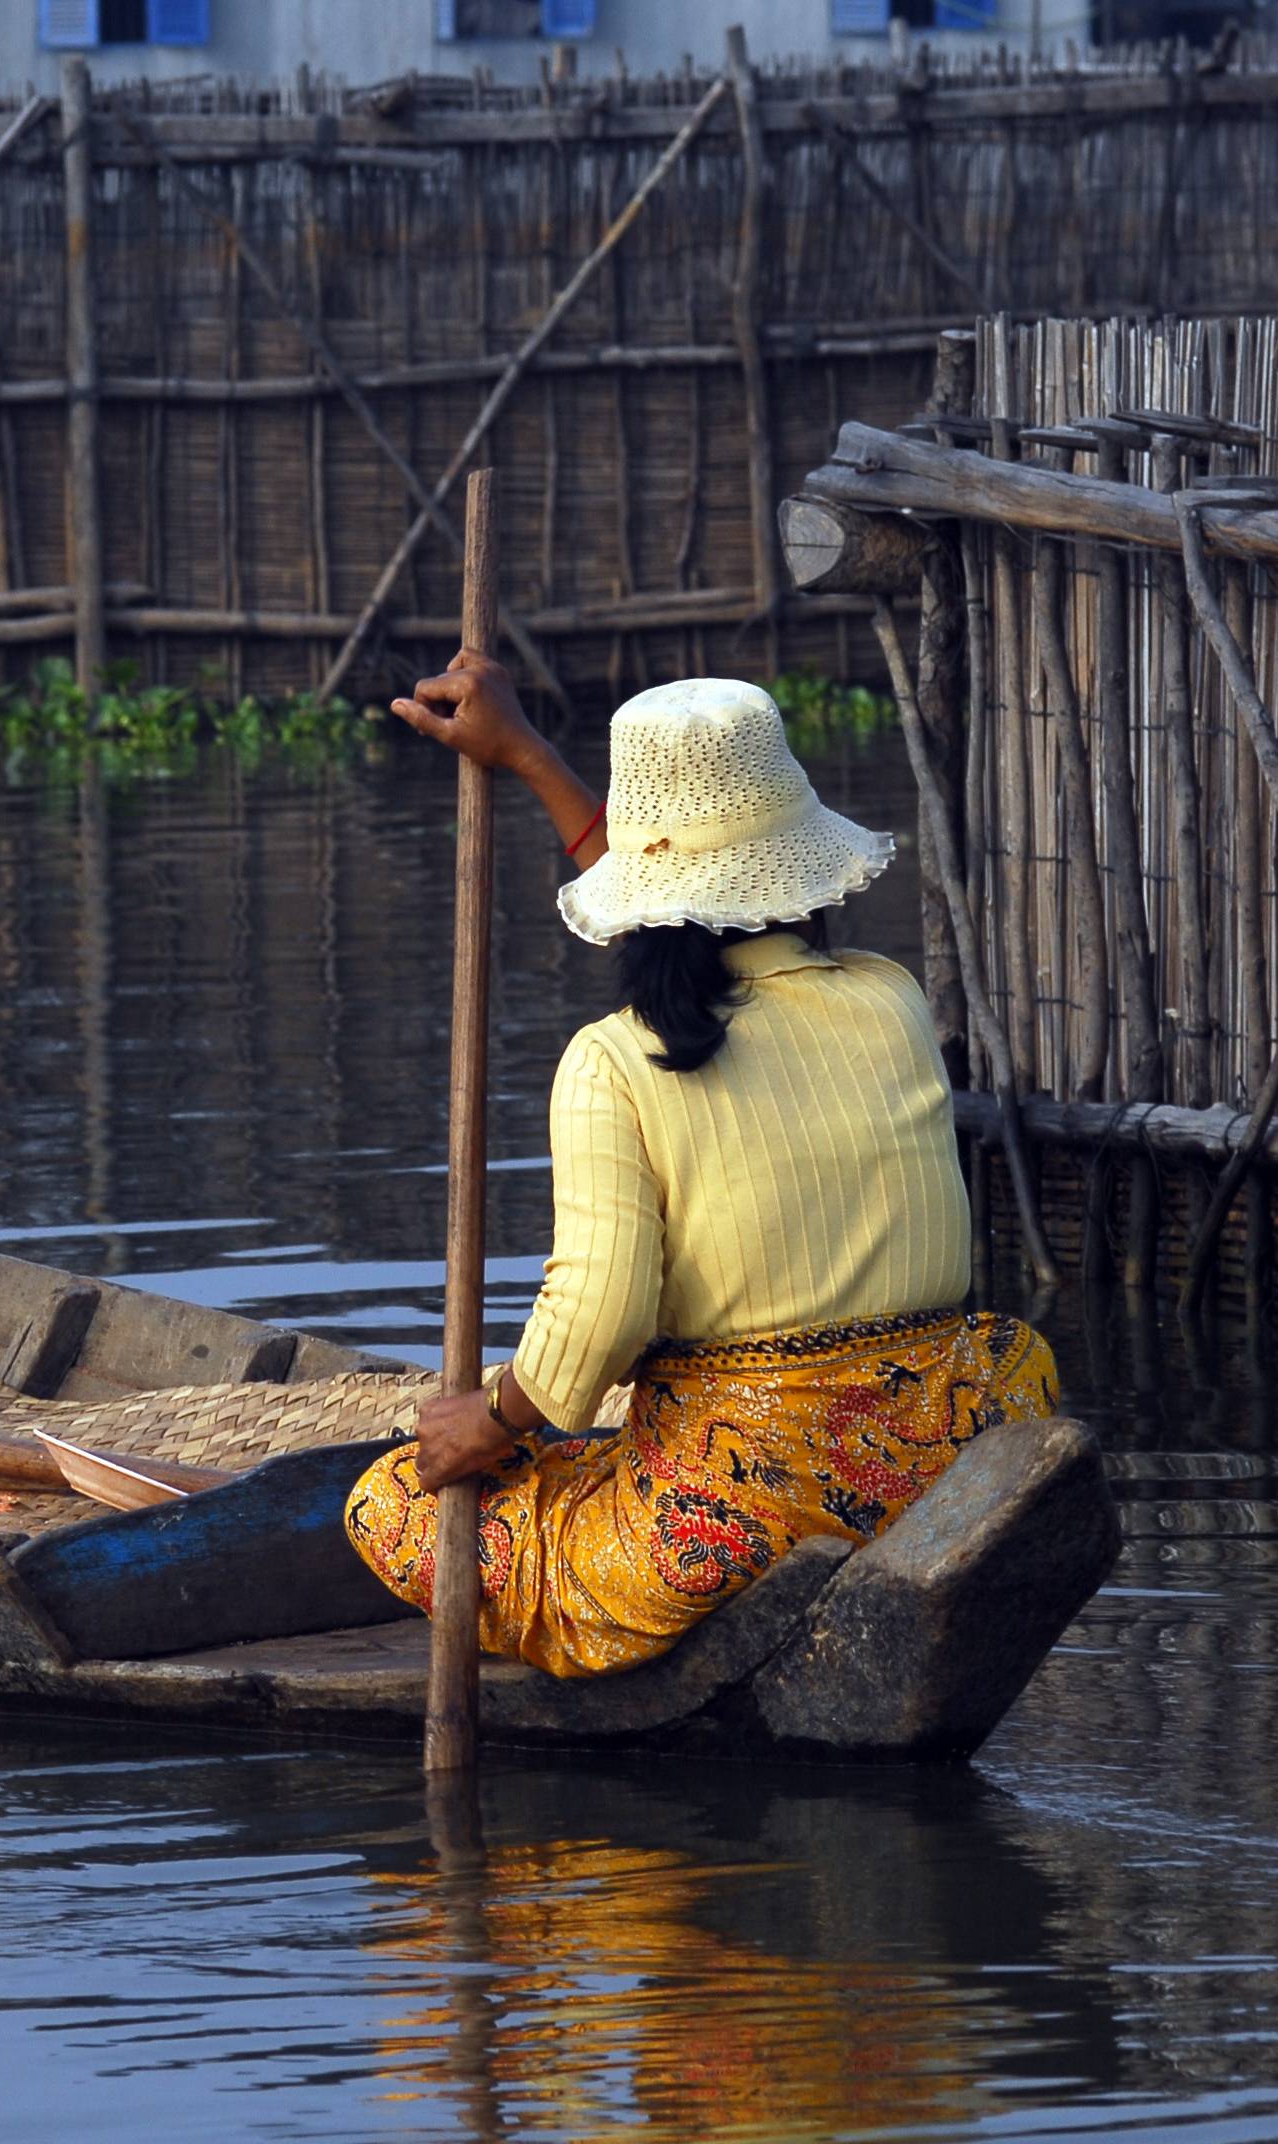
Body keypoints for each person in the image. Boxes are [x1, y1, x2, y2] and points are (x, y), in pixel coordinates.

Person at [342, 657, 1060, 1680]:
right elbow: (687, 915)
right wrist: (527, 756)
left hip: (746, 1516)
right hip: (938, 1455)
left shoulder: (613, 1060)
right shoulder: (889, 997)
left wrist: (491, 1424)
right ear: (797, 868)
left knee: (384, 1501)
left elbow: (602, 1316)